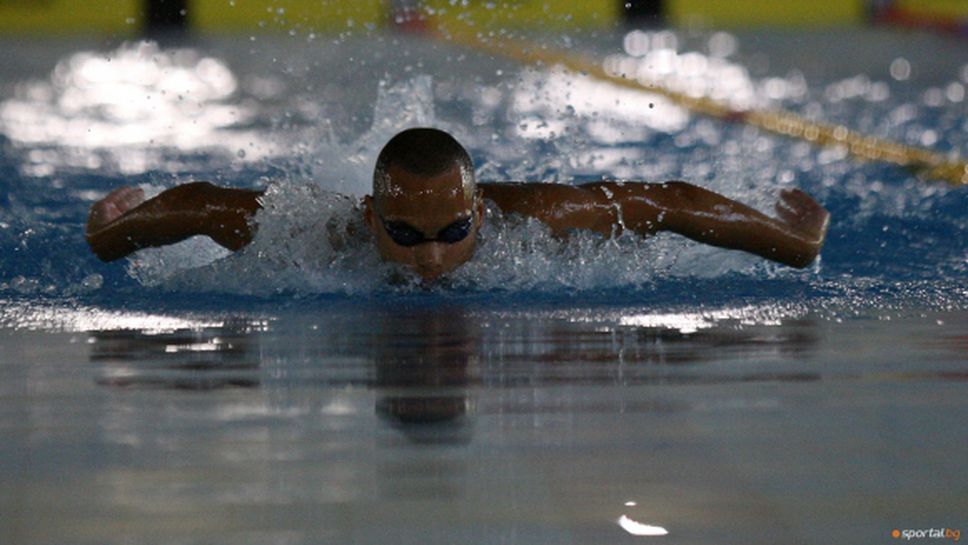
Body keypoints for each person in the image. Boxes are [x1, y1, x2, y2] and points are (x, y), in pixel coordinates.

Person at [85, 127, 830, 282]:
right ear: (372, 219)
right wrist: (111, 232)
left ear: (479, 212)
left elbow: (663, 201)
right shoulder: (312, 235)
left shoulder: (531, 222)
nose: (432, 256)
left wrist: (795, 243)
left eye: (453, 230)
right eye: (405, 234)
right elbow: (201, 205)